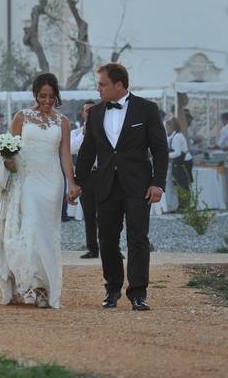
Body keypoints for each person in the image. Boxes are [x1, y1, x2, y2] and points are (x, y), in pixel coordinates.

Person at [75, 63, 168, 312]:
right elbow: (87, 152)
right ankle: (112, 288)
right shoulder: (94, 113)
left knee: (138, 238)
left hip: (139, 186)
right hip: (104, 185)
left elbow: (160, 149)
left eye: (102, 84)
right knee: (106, 239)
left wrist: (158, 183)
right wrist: (76, 182)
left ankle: (138, 293)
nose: (98, 89)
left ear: (119, 85)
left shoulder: (147, 109)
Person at [0, 72, 80, 308]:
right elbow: (10, 149)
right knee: (30, 230)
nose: (47, 101)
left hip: (52, 180)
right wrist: (8, 161)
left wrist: (72, 183)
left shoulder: (63, 122)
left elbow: (65, 155)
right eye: (43, 96)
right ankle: (29, 285)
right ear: (35, 95)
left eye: (51, 96)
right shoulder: (22, 117)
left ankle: (43, 288)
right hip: (27, 179)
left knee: (47, 234)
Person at [71, 100, 99, 258]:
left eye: (92, 110)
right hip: (86, 177)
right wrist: (84, 133)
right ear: (83, 113)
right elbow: (71, 148)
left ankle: (111, 247)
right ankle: (92, 248)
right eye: (87, 110)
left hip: (102, 175)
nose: (90, 112)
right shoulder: (77, 133)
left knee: (107, 214)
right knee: (89, 214)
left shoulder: (105, 129)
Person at [167, 117, 193, 195]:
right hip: (181, 161)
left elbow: (177, 153)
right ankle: (183, 204)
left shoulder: (177, 137)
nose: (166, 128)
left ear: (172, 127)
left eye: (167, 127)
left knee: (183, 183)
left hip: (184, 162)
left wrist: (165, 155)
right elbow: (167, 139)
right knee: (181, 183)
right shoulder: (174, 135)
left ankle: (184, 205)